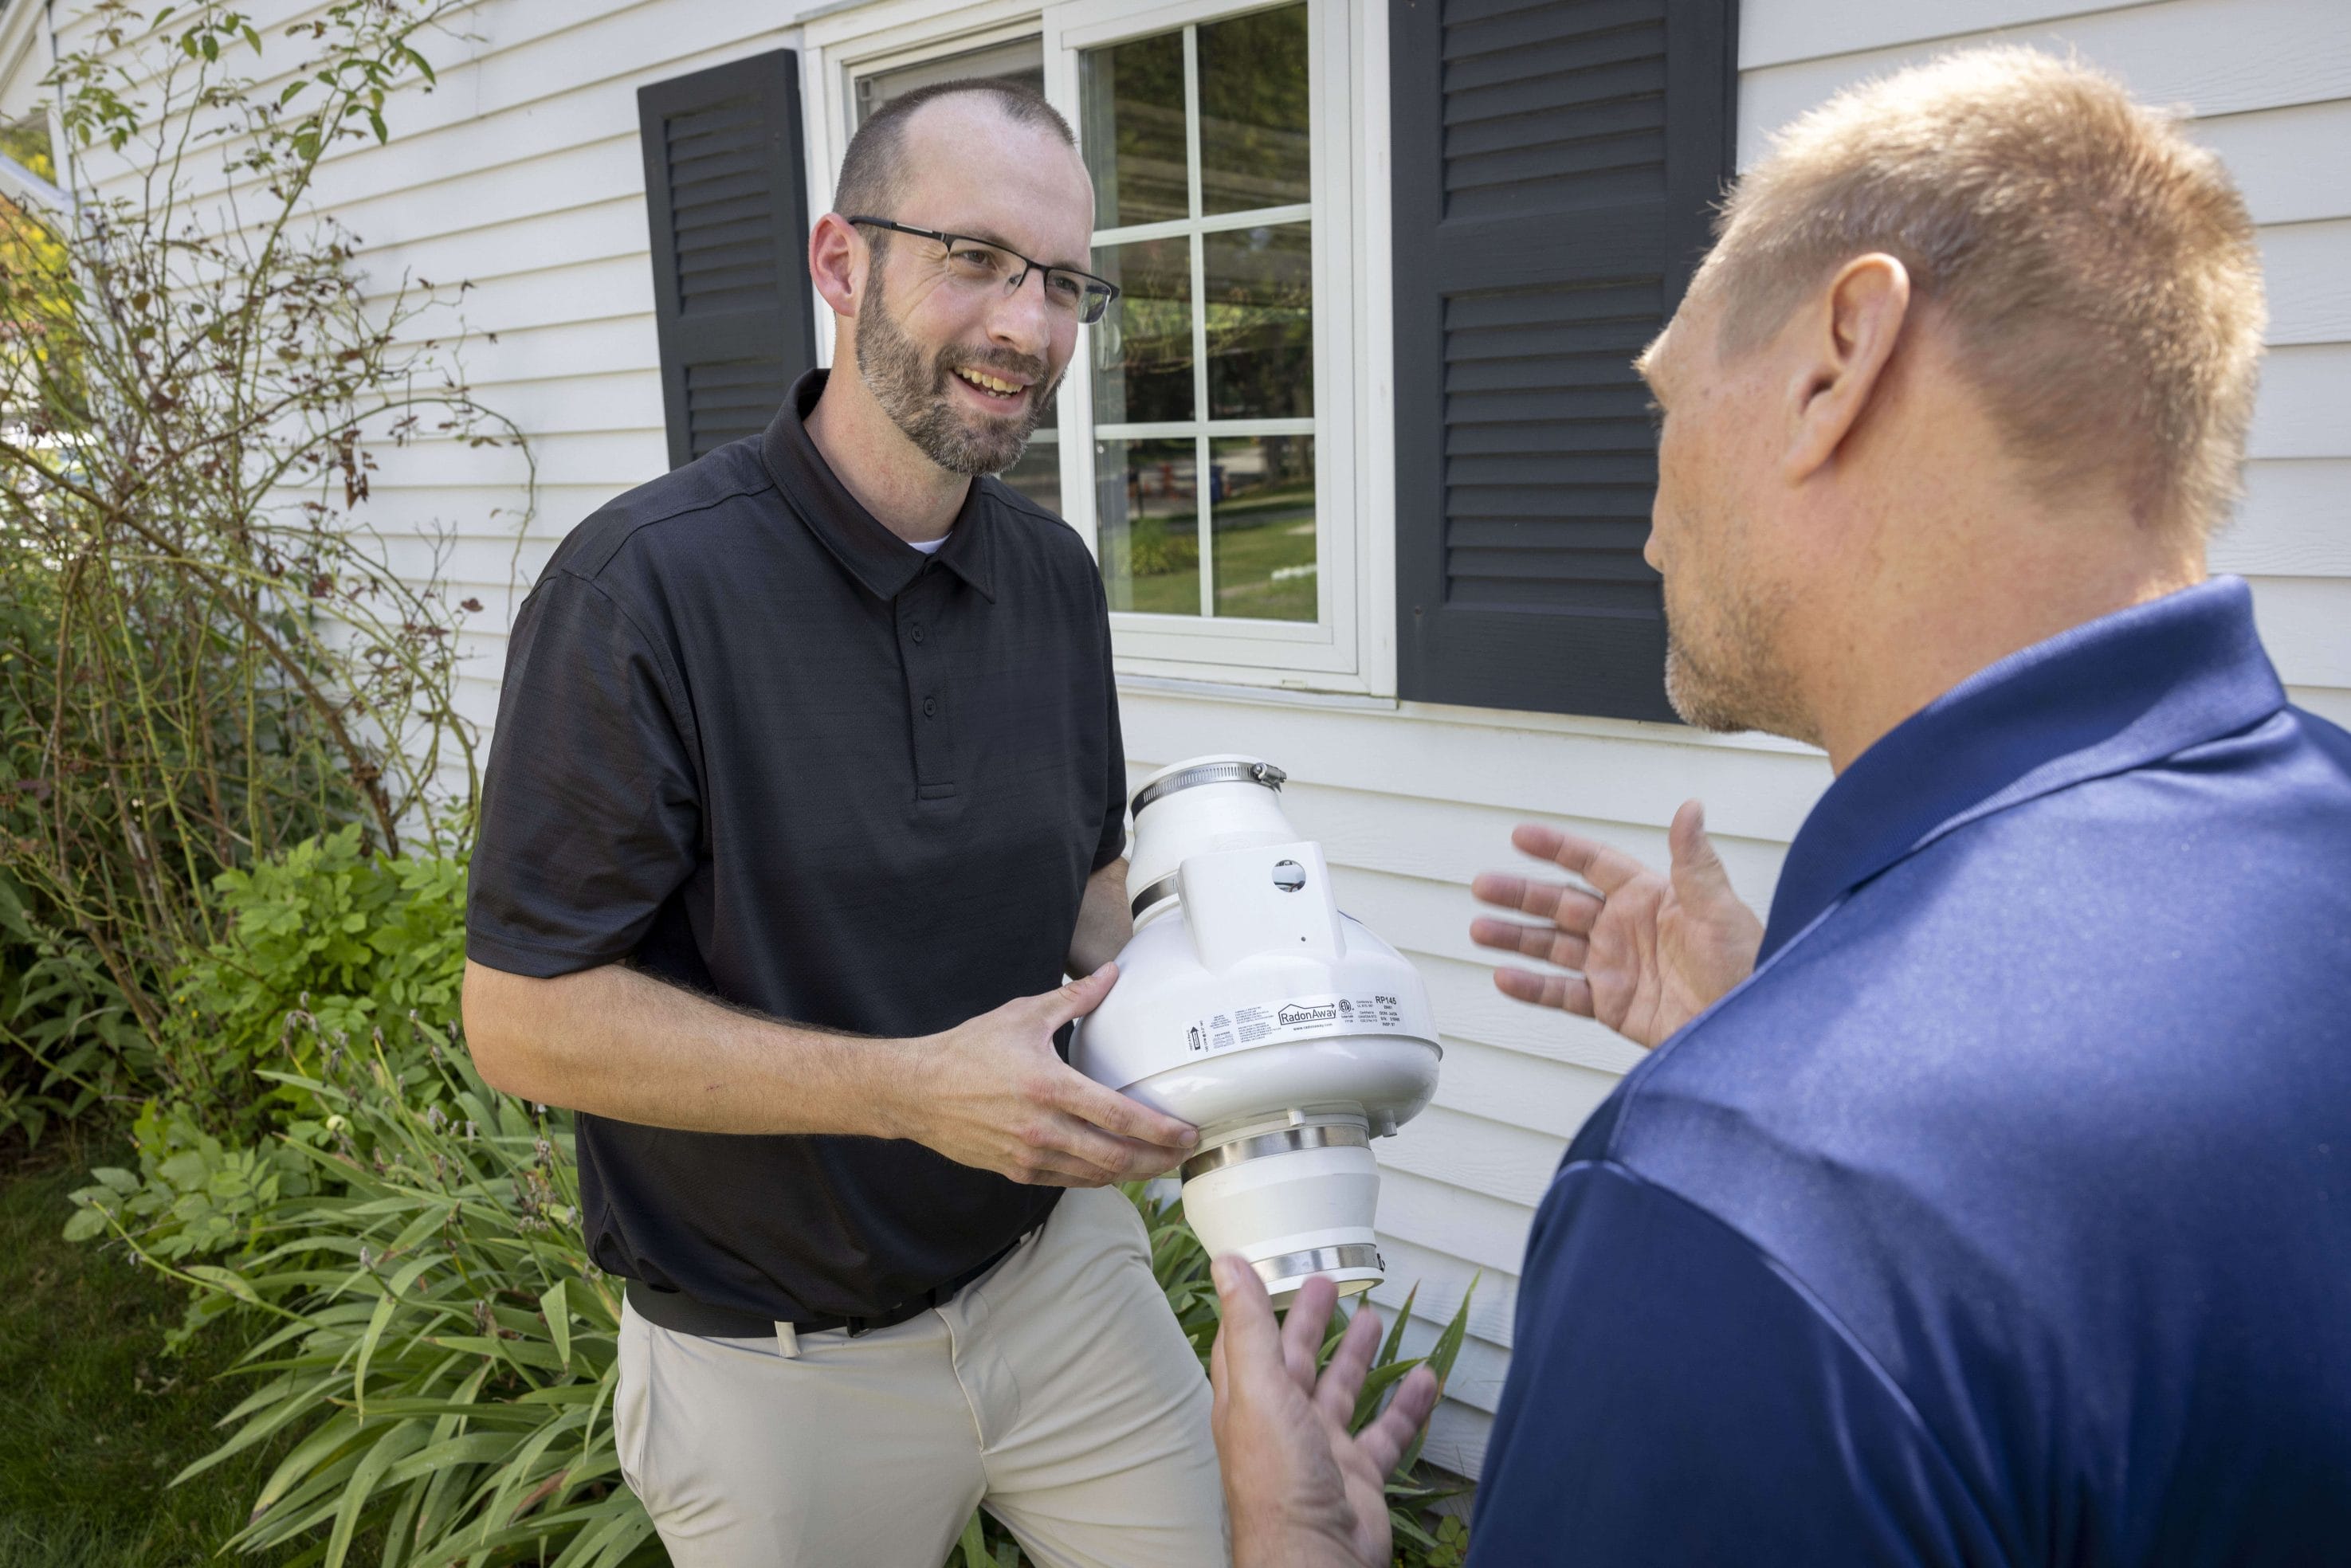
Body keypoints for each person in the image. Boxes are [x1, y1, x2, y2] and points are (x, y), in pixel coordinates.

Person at [1208, 46, 2351, 1566]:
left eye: (1668, 400)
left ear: (1837, 361)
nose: (1646, 533)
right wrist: (1794, 1014)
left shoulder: (1742, 1205)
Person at [461, 79, 1230, 1567]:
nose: (1027, 325)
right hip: (774, 1372)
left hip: (1060, 1282)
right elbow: (521, 1020)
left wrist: (1244, 977)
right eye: (976, 259)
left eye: (1062, 284)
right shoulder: (641, 590)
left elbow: (1083, 886)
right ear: (840, 263)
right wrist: (908, 1090)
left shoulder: (1053, 575)